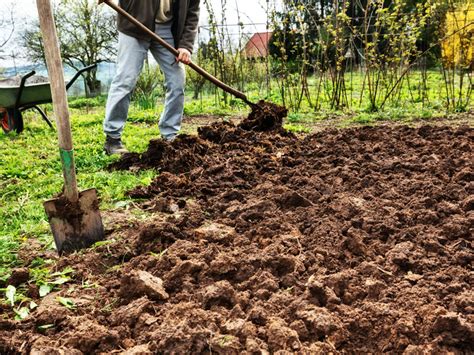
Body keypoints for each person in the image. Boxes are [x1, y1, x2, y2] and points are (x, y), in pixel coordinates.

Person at [103, 0, 201, 155]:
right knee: (125, 79)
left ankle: (169, 136)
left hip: (167, 28)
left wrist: (186, 45)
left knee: (177, 80)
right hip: (134, 23)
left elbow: (192, 13)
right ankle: (112, 139)